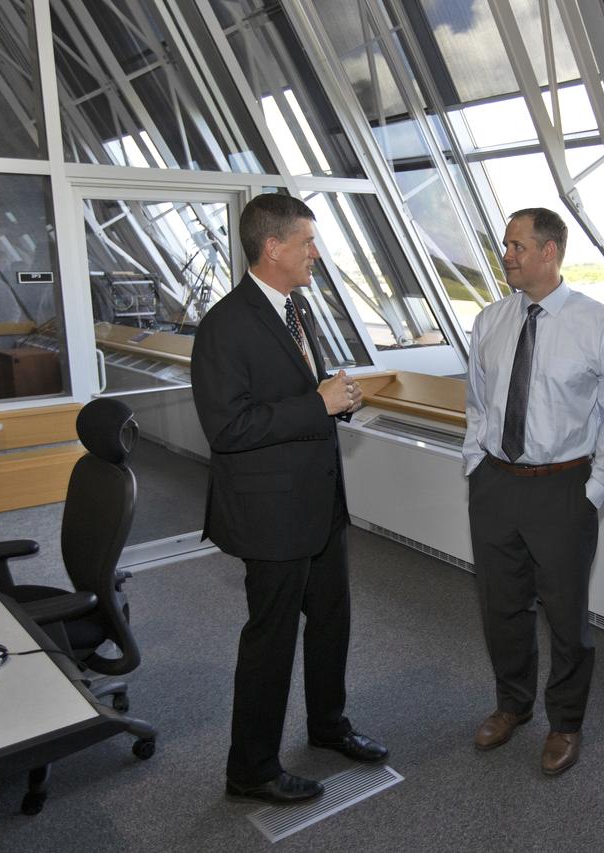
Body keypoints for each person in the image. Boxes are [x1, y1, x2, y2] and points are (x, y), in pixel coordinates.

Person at [191, 192, 387, 805]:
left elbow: (303, 395)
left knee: (332, 624)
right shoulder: (225, 325)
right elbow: (228, 428)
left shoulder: (294, 309)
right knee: (271, 640)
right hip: (271, 515)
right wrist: (317, 404)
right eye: (307, 242)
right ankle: (250, 767)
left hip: (319, 506)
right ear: (272, 247)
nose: (316, 254)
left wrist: (336, 398)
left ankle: (328, 726)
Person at [462, 207, 604, 776]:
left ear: (549, 251)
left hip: (563, 490)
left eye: (515, 245)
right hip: (495, 484)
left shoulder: (600, 326)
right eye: (505, 245)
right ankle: (512, 705)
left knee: (566, 618)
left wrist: (593, 493)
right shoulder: (489, 320)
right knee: (500, 608)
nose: (505, 255)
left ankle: (566, 723)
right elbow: (479, 404)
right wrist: (475, 465)